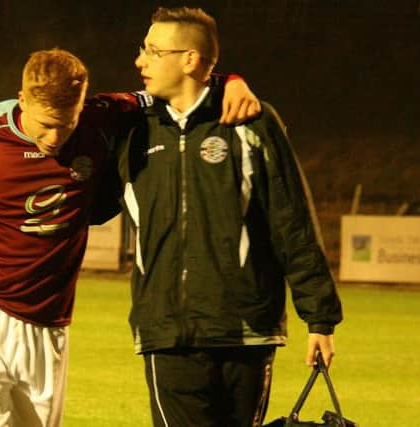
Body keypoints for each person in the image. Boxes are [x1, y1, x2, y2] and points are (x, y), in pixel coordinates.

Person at [0, 48, 260, 427]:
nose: (55, 137)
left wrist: (232, 80)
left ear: (83, 105)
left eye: (67, 124)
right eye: (45, 125)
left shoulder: (103, 117)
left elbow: (176, 86)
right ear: (22, 100)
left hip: (48, 324)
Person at [110, 7, 344, 427]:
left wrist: (320, 318)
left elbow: (291, 221)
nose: (139, 61)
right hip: (167, 333)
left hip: (245, 331)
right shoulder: (132, 128)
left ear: (189, 60)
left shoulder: (251, 121)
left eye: (151, 51)